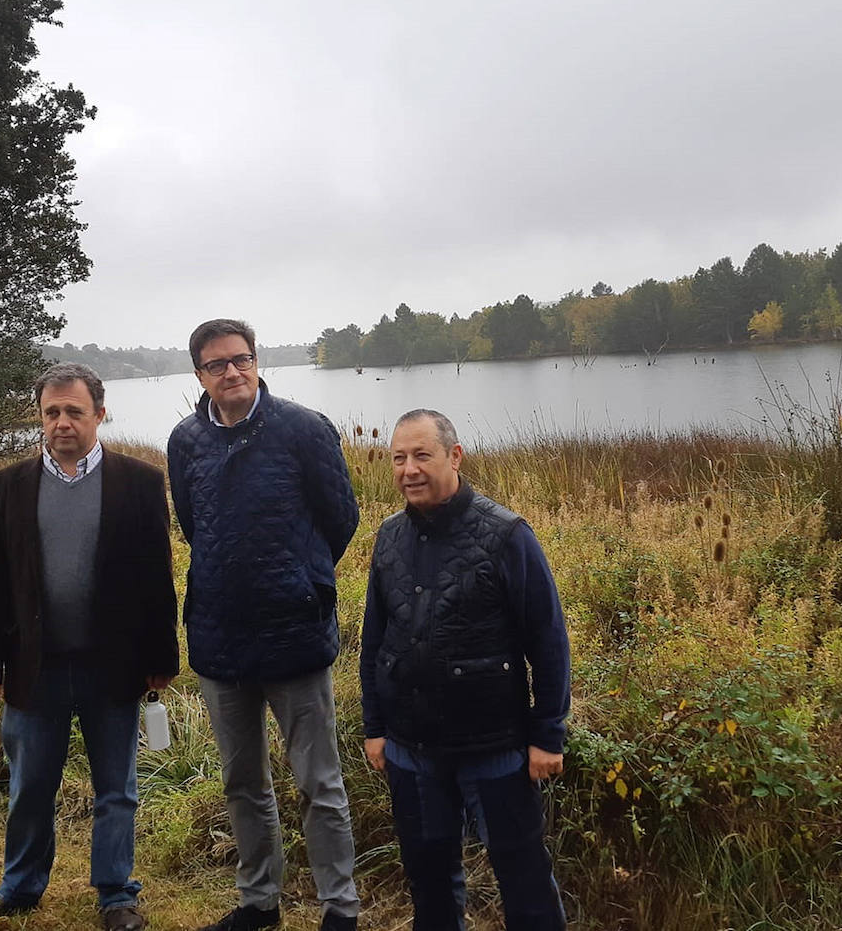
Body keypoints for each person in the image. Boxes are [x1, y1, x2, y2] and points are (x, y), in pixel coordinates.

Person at [0, 363, 178, 931]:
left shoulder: (139, 481)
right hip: (35, 666)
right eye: (52, 411)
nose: (62, 422)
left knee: (117, 789)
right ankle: (20, 888)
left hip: (114, 665)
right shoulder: (9, 486)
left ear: (99, 415)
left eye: (74, 412)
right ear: (42, 417)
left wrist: (162, 657)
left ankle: (116, 896)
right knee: (31, 785)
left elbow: (158, 575)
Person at [167, 319, 361, 931]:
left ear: (257, 361)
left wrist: (302, 578)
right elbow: (195, 527)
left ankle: (340, 908)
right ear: (199, 374)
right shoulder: (185, 442)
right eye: (217, 364)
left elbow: (341, 518)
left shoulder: (304, 429)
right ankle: (259, 903)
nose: (232, 372)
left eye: (241, 359)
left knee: (318, 784)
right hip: (220, 639)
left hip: (295, 636)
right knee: (243, 784)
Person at [360, 409, 571, 931]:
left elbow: (547, 641)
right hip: (411, 750)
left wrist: (548, 734)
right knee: (429, 882)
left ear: (454, 456)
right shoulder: (388, 538)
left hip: (495, 748)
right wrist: (375, 728)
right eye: (399, 458)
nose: (409, 469)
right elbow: (375, 643)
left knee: (523, 880)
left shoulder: (507, 536)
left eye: (422, 455)